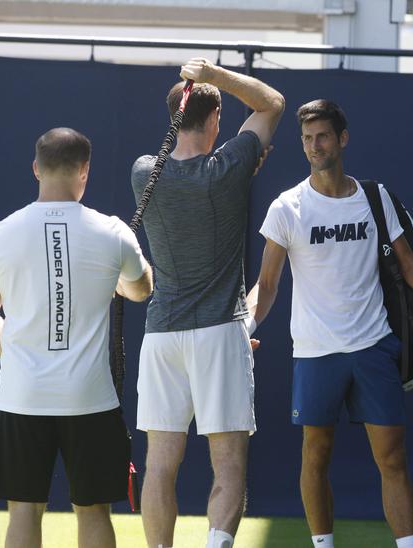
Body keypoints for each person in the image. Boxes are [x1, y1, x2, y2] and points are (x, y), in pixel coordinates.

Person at [246, 100, 413, 548]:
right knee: (315, 455)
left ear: (342, 139)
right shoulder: (287, 207)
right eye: (306, 138)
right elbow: (266, 286)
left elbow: (407, 264)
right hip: (315, 352)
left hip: (373, 347)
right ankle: (323, 545)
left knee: (392, 459)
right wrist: (243, 330)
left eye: (322, 136)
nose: (313, 146)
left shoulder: (375, 196)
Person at [0, 127, 153, 548]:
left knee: (24, 510)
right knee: (93, 510)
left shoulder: (1, 233)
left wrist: (16, 356)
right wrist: (122, 281)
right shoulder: (114, 232)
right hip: (90, 400)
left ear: (36, 168)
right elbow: (142, 290)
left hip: (21, 397)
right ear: (85, 170)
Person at [130, 57, 285, 548]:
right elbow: (273, 103)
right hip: (220, 332)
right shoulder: (231, 166)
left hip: (162, 336)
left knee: (159, 464)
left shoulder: (142, 172)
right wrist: (214, 74)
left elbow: (177, 152)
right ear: (217, 119)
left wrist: (194, 95)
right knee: (230, 463)